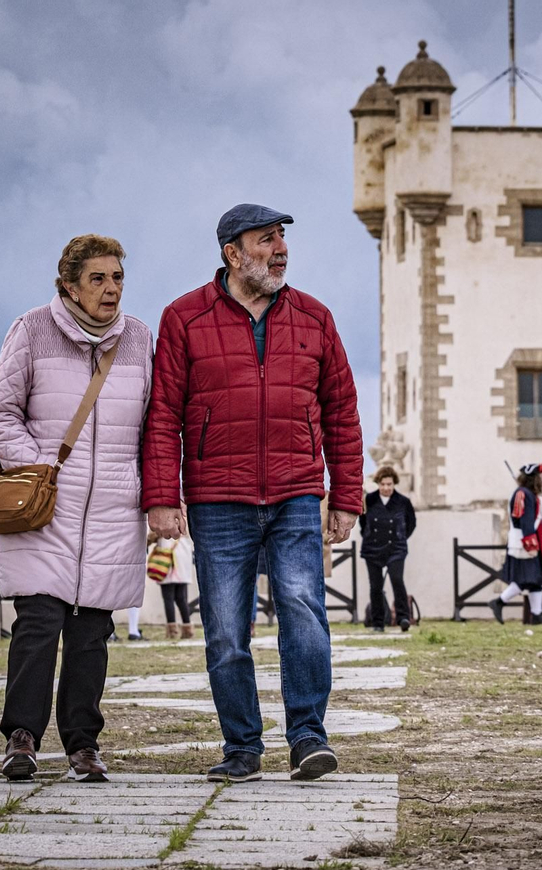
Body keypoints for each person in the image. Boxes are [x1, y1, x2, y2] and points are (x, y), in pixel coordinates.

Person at [143, 204, 362, 784]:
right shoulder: (183, 318)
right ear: (232, 253)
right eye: (266, 241)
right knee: (224, 630)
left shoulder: (315, 318)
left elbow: (342, 412)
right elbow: (163, 414)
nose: (280, 250)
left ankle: (308, 738)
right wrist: (163, 496)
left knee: (304, 613)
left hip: (295, 493)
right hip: (218, 498)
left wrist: (346, 496)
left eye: (283, 239)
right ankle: (242, 746)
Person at [0, 234, 154, 784]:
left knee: (91, 633)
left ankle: (83, 743)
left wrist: (149, 493)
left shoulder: (140, 340)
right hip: (44, 507)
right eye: (98, 278)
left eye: (118, 278)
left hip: (111, 511)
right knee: (38, 622)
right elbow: (0, 412)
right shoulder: (32, 330)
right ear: (69, 286)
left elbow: (156, 426)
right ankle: (22, 737)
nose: (111, 289)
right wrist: (36, 469)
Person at [489, 464, 542, 626]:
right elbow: (524, 520)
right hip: (523, 543)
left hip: (528, 540)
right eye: (540, 477)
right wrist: (530, 543)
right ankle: (499, 602)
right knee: (526, 579)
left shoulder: (529, 494)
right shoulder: (523, 494)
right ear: (534, 479)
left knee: (535, 579)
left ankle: (537, 614)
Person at [360, 466, 417, 633]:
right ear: (378, 484)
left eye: (389, 484)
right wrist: (368, 535)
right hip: (373, 548)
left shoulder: (403, 502)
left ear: (394, 484)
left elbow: (411, 523)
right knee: (375, 586)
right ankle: (378, 622)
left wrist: (400, 537)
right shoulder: (369, 500)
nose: (386, 488)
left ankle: (403, 617)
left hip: (396, 548)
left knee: (397, 580)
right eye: (383, 484)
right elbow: (363, 522)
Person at [155, 533, 196, 640]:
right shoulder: (185, 524)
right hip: (182, 559)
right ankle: (188, 629)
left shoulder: (165, 522)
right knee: (182, 598)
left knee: (168, 598)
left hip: (167, 559)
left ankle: (172, 630)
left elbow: (153, 535)